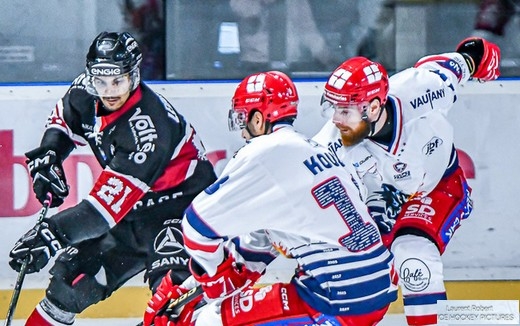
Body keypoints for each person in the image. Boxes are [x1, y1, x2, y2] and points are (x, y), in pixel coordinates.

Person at [142, 70, 398, 326]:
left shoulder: (263, 152)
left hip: (334, 296)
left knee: (210, 320)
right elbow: (255, 250)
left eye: (243, 119)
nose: (242, 133)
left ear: (258, 118)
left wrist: (213, 277)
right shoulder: (312, 153)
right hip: (373, 290)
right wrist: (189, 286)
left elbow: (196, 226)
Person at [8, 31, 217, 325]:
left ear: (134, 75)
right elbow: (64, 122)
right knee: (71, 282)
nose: (109, 91)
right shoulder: (84, 92)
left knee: (174, 304)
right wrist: (49, 155)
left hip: (181, 214)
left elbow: (100, 212)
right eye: (101, 81)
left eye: (118, 80)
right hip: (131, 215)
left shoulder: (147, 129)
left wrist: (52, 232)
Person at [313, 37, 500, 325]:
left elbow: (464, 60)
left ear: (374, 108)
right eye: (333, 108)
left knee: (415, 257)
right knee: (363, 289)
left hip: (439, 189)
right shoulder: (331, 145)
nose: (336, 120)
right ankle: (491, 317)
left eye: (345, 110)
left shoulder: (422, 89)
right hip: (378, 207)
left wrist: (482, 55)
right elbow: (301, 180)